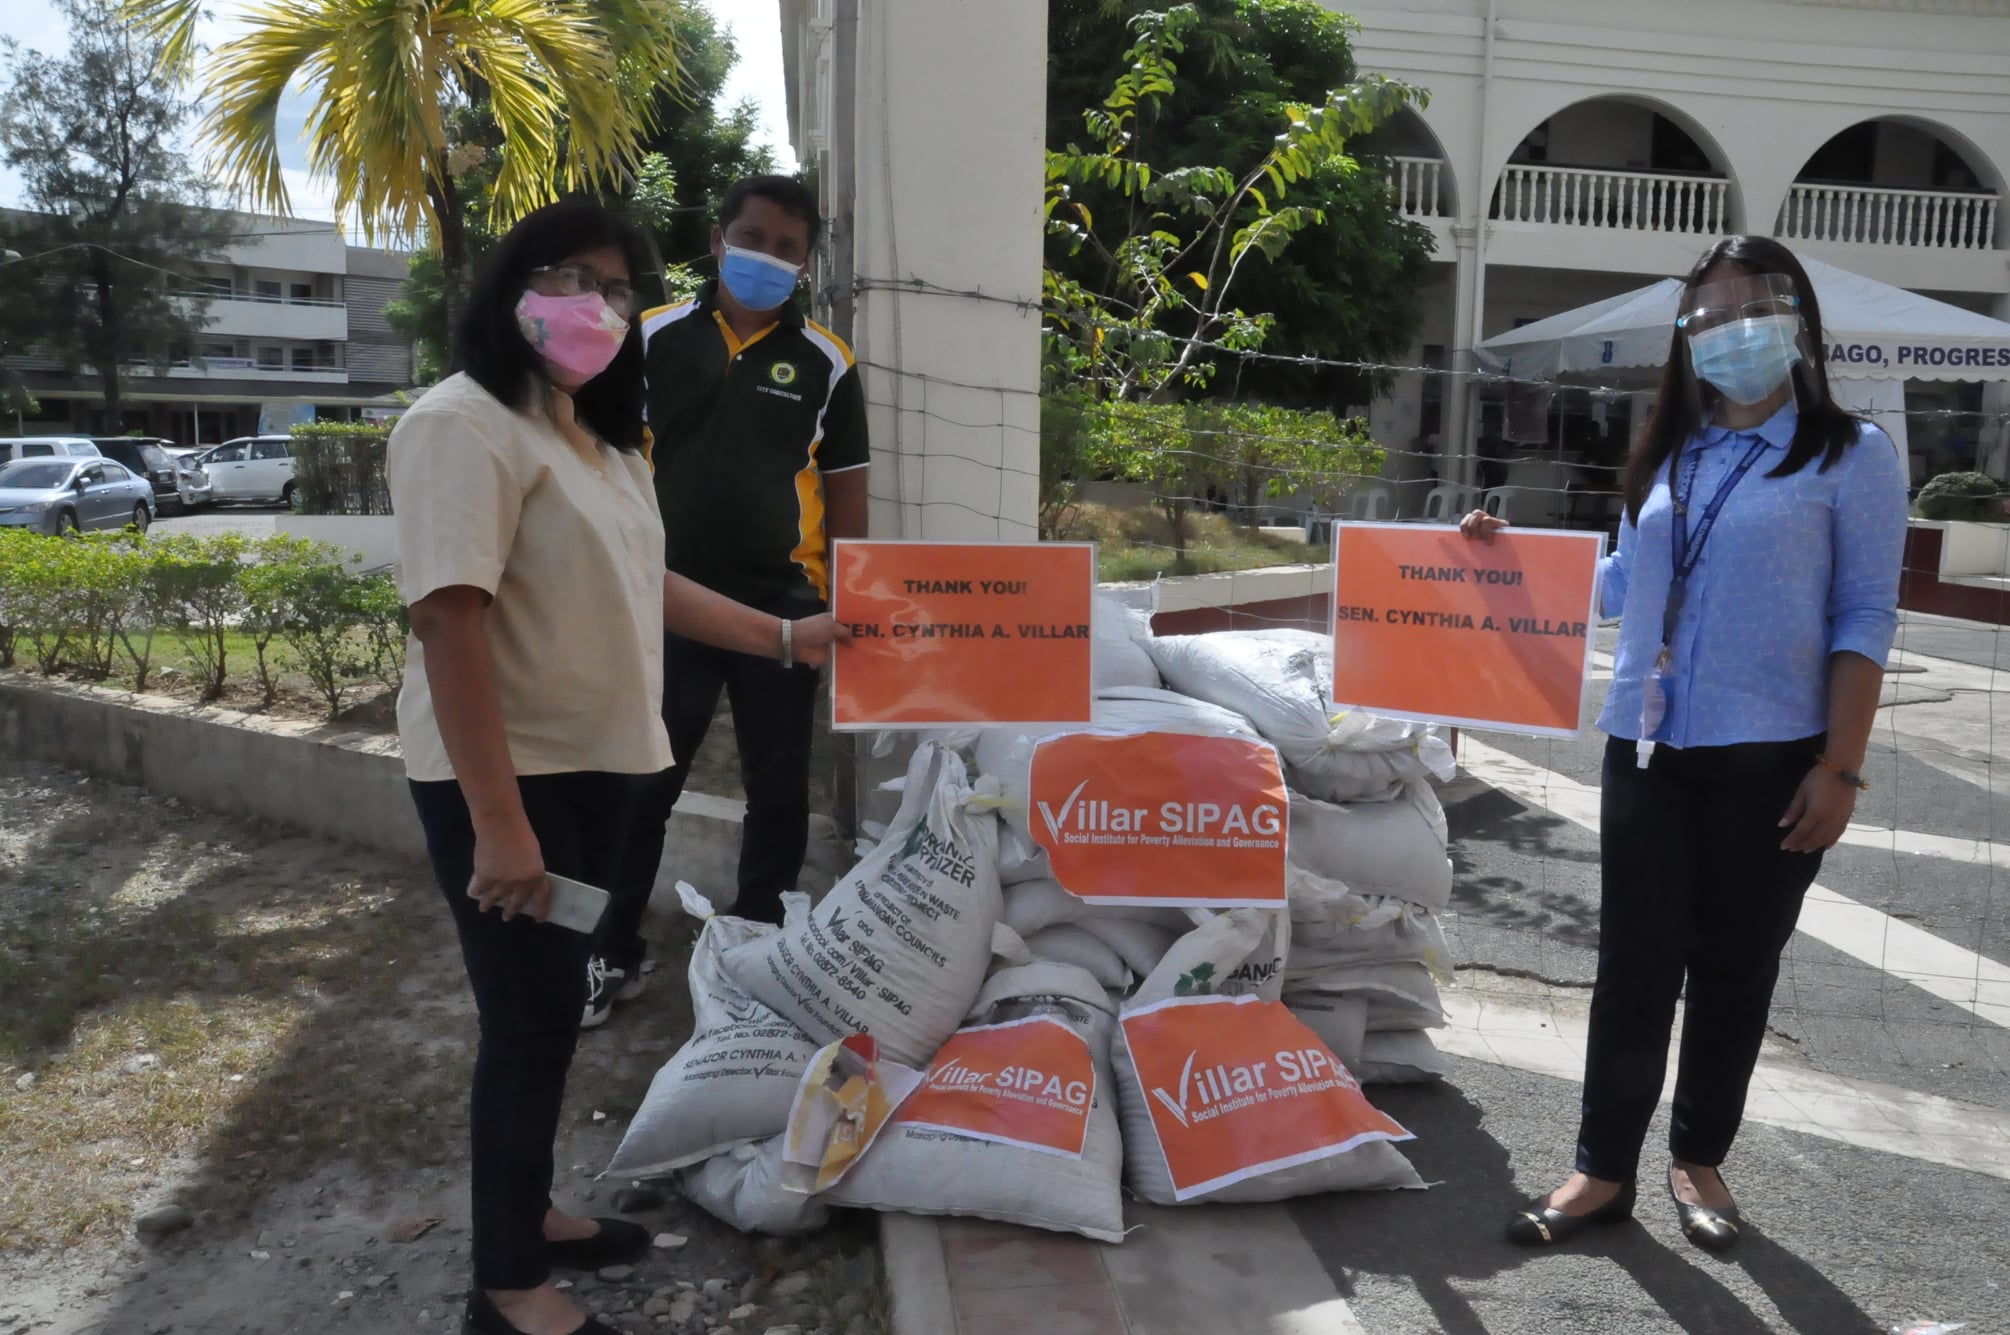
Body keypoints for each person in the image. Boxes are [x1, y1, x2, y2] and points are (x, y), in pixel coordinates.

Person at [389, 199, 842, 1335]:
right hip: (511, 782)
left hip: (596, 771)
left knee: (543, 1014)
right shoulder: (463, 425)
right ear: (510, 288)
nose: (597, 305)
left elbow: (653, 584)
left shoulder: (595, 438)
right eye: (571, 276)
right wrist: (500, 829)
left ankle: (529, 1215)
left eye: (620, 287)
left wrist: (787, 637)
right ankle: (507, 1287)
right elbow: (449, 623)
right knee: (527, 1020)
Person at [1461, 235, 1907, 1253]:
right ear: (1686, 334)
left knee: (1737, 969)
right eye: (1709, 312)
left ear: (1797, 319)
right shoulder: (1675, 453)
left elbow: (1863, 621)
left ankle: (1699, 1160)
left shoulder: (1852, 455)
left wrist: (1839, 769)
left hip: (1777, 760)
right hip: (1650, 751)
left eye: (1756, 305)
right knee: (1634, 964)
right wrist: (1502, 562)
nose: (1733, 328)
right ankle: (1600, 1168)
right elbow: (1621, 588)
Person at [583, 175, 869, 1027]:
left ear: (806, 263)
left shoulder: (827, 362)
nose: (767, 258)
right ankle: (610, 951)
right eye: (753, 238)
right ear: (716, 240)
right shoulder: (651, 337)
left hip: (788, 611)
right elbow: (604, 466)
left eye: (787, 248)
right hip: (667, 603)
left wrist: (850, 605)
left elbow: (847, 497)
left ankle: (756, 954)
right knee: (646, 783)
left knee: (778, 794)